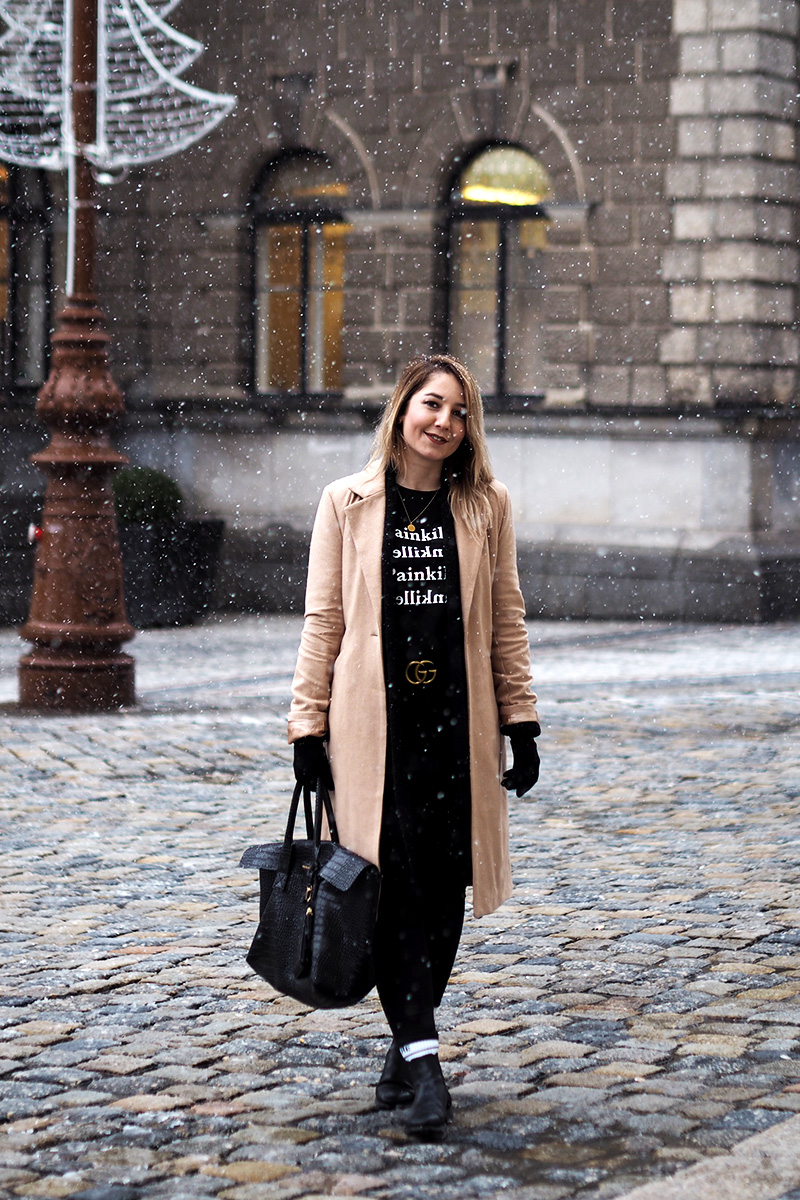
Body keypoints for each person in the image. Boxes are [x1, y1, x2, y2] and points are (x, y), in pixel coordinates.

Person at [288, 354, 540, 1141]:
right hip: (375, 733)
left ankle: (403, 1051)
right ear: (402, 409)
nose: (444, 422)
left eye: (460, 412)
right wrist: (306, 725)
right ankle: (427, 1067)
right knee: (391, 893)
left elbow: (505, 619)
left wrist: (522, 721)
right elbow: (324, 621)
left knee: (441, 896)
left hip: (458, 730)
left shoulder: (486, 506)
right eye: (433, 404)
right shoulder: (347, 502)